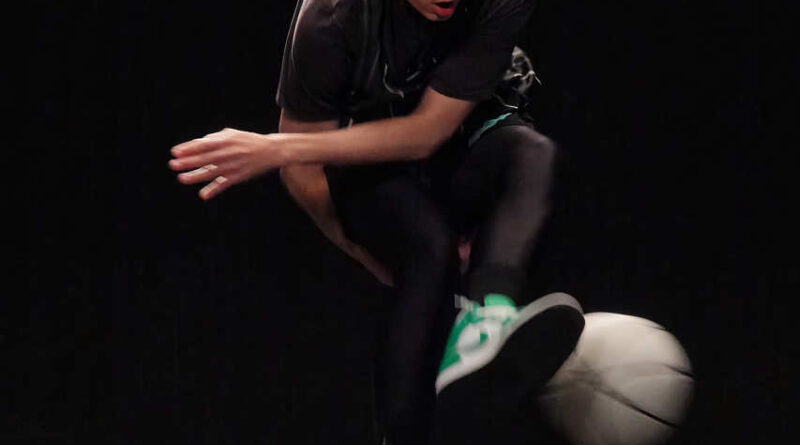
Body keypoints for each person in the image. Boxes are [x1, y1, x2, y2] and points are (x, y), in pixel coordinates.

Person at [169, 0, 584, 443]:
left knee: (532, 155)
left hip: (453, 147)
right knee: (430, 246)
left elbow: (428, 132)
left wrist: (274, 148)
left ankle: (488, 322)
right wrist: (358, 249)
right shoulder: (331, 17)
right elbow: (305, 171)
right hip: (369, 168)